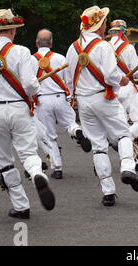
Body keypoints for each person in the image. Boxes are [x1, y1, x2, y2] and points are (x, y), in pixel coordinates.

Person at [0, 9, 56, 219]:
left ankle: (21, 205)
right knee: (28, 153)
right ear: (14, 29)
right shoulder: (22, 52)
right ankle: (36, 174)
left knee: (4, 161)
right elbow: (30, 84)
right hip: (18, 109)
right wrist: (34, 92)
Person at [65, 6, 138, 207]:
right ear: (100, 26)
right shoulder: (104, 47)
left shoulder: (72, 48)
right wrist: (123, 80)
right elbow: (111, 75)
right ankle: (128, 167)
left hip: (84, 102)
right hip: (105, 97)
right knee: (123, 135)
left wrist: (73, 98)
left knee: (98, 147)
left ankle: (108, 192)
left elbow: (68, 80)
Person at [31, 29, 91, 180]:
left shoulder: (30, 60)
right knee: (70, 123)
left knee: (49, 136)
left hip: (42, 100)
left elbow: (27, 84)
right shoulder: (60, 58)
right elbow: (69, 80)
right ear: (51, 43)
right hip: (60, 97)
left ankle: (57, 168)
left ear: (36, 43)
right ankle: (77, 131)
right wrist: (70, 96)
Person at [108, 20, 138, 171]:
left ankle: (137, 159)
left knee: (121, 125)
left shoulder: (103, 48)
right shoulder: (128, 48)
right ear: (123, 32)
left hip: (111, 91)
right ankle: (124, 143)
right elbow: (137, 72)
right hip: (127, 88)